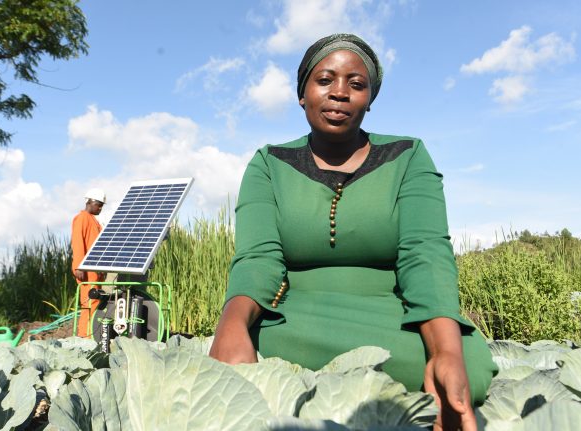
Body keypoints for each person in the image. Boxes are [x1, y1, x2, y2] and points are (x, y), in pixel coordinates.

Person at [209, 33, 497, 430]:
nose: (340, 93)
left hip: (391, 317)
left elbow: (425, 253)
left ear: (370, 99)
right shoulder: (269, 163)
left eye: (356, 84)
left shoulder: (408, 155)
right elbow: (257, 259)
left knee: (471, 366)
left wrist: (444, 349)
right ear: (302, 93)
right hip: (296, 320)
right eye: (325, 80)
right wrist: (233, 324)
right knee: (252, 351)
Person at [71, 187, 107, 337]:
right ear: (90, 202)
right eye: (99, 204)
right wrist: (79, 265)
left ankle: (93, 336)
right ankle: (85, 338)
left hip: (94, 270)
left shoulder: (94, 221)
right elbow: (78, 242)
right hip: (86, 271)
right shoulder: (82, 218)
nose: (100, 208)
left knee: (95, 304)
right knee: (88, 304)